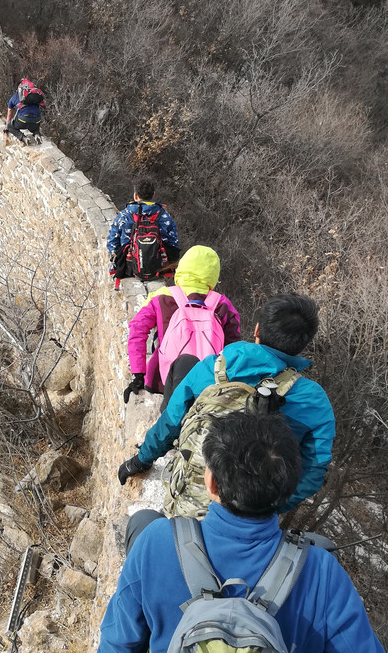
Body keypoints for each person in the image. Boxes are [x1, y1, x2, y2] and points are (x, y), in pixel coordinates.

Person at [84, 413, 388, 653]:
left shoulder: (158, 543)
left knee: (142, 522)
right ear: (287, 492)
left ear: (211, 483)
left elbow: (121, 630)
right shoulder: (322, 575)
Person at [118, 294, 335, 514]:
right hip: (253, 517)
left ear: (257, 329)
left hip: (190, 499)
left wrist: (141, 460)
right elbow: (313, 471)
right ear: (303, 343)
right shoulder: (314, 402)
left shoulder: (214, 367)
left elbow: (170, 421)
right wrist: (266, 509)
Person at [124, 245, 241, 411]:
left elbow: (137, 330)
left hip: (162, 383)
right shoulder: (223, 304)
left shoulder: (161, 297)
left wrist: (138, 373)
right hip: (206, 386)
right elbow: (233, 348)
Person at [106, 179, 180, 283]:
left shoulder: (124, 215)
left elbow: (112, 242)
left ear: (135, 196)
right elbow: (173, 244)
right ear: (153, 195)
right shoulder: (164, 216)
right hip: (157, 268)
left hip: (129, 268)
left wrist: (117, 259)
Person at [4, 78, 45, 143]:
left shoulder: (15, 97)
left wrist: (7, 126)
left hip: (23, 119)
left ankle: (23, 138)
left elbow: (9, 114)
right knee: (34, 126)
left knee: (10, 127)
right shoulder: (33, 96)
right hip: (37, 120)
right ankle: (37, 134)